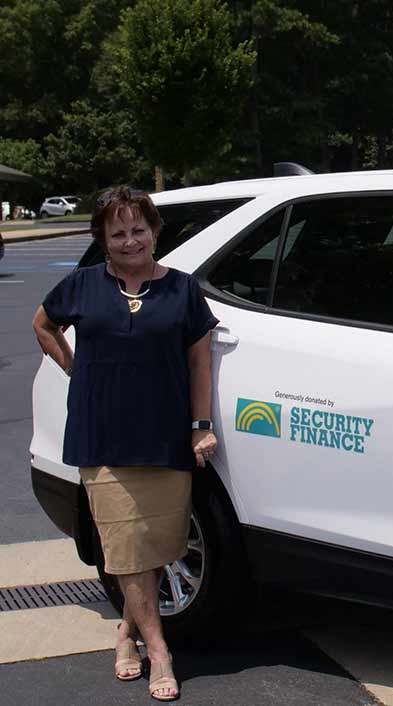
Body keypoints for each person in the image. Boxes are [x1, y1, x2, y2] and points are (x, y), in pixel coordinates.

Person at [32, 186, 219, 702]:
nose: (130, 240)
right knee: (124, 548)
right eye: (117, 232)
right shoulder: (83, 286)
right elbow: (43, 325)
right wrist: (76, 370)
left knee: (159, 544)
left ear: (155, 232)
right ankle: (159, 649)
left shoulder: (182, 290)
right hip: (102, 436)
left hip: (164, 434)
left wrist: (201, 424)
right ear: (103, 239)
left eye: (139, 229)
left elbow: (199, 362)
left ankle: (126, 632)